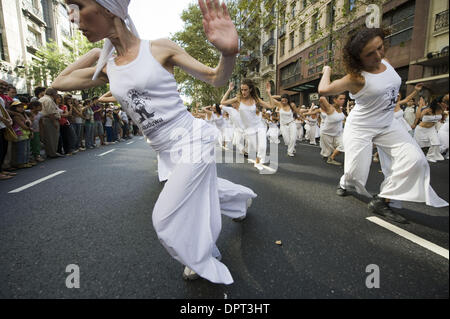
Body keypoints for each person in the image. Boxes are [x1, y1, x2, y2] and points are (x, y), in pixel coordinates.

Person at [53, 0, 256, 285]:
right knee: (203, 189)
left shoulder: (159, 48)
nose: (73, 18)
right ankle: (240, 202)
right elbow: (58, 82)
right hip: (165, 150)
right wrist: (96, 52)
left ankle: (203, 256)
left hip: (192, 139)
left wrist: (228, 53)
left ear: (109, 7)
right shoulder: (109, 68)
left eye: (78, 6)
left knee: (165, 218)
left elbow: (215, 78)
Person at [318, 27, 448, 224]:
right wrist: (327, 71)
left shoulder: (385, 62)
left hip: (388, 124)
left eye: (380, 48)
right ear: (358, 58)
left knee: (416, 161)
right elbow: (323, 89)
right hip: (361, 126)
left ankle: (382, 201)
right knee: (356, 173)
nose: (378, 55)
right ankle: (345, 182)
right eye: (370, 54)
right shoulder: (356, 77)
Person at [221, 80, 274, 170]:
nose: (243, 92)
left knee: (262, 146)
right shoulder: (238, 99)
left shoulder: (256, 99)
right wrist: (229, 90)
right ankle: (254, 156)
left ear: (250, 89)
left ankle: (258, 161)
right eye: (242, 90)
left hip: (259, 125)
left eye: (245, 90)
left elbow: (271, 106)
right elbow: (222, 102)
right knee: (255, 148)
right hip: (249, 129)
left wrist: (269, 93)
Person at [414, 96, 446, 163]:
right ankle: (414, 157)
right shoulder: (428, 110)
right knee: (417, 144)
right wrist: (420, 106)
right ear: (438, 103)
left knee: (436, 142)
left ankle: (430, 156)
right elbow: (418, 117)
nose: (444, 104)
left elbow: (442, 117)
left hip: (431, 129)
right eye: (443, 102)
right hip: (421, 129)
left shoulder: (441, 110)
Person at [318, 94, 346, 166]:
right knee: (327, 152)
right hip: (327, 133)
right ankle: (329, 157)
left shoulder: (340, 108)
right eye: (341, 99)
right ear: (334, 100)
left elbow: (340, 119)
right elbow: (322, 98)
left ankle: (331, 158)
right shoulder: (330, 108)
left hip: (338, 133)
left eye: (344, 99)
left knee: (343, 146)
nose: (343, 100)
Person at [40, 88, 63, 158]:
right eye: (56, 93)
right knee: (52, 137)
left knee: (48, 138)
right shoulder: (48, 100)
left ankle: (50, 152)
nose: (57, 95)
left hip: (45, 120)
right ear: (52, 94)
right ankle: (52, 153)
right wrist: (54, 122)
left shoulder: (42, 99)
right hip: (49, 120)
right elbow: (51, 113)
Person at [0, 80, 15, 180]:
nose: (3, 87)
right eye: (1, 85)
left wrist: (8, 119)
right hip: (2, 123)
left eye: (5, 85)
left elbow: (4, 110)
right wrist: (5, 120)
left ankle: (1, 170)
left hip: (3, 126)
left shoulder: (1, 98)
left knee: (3, 149)